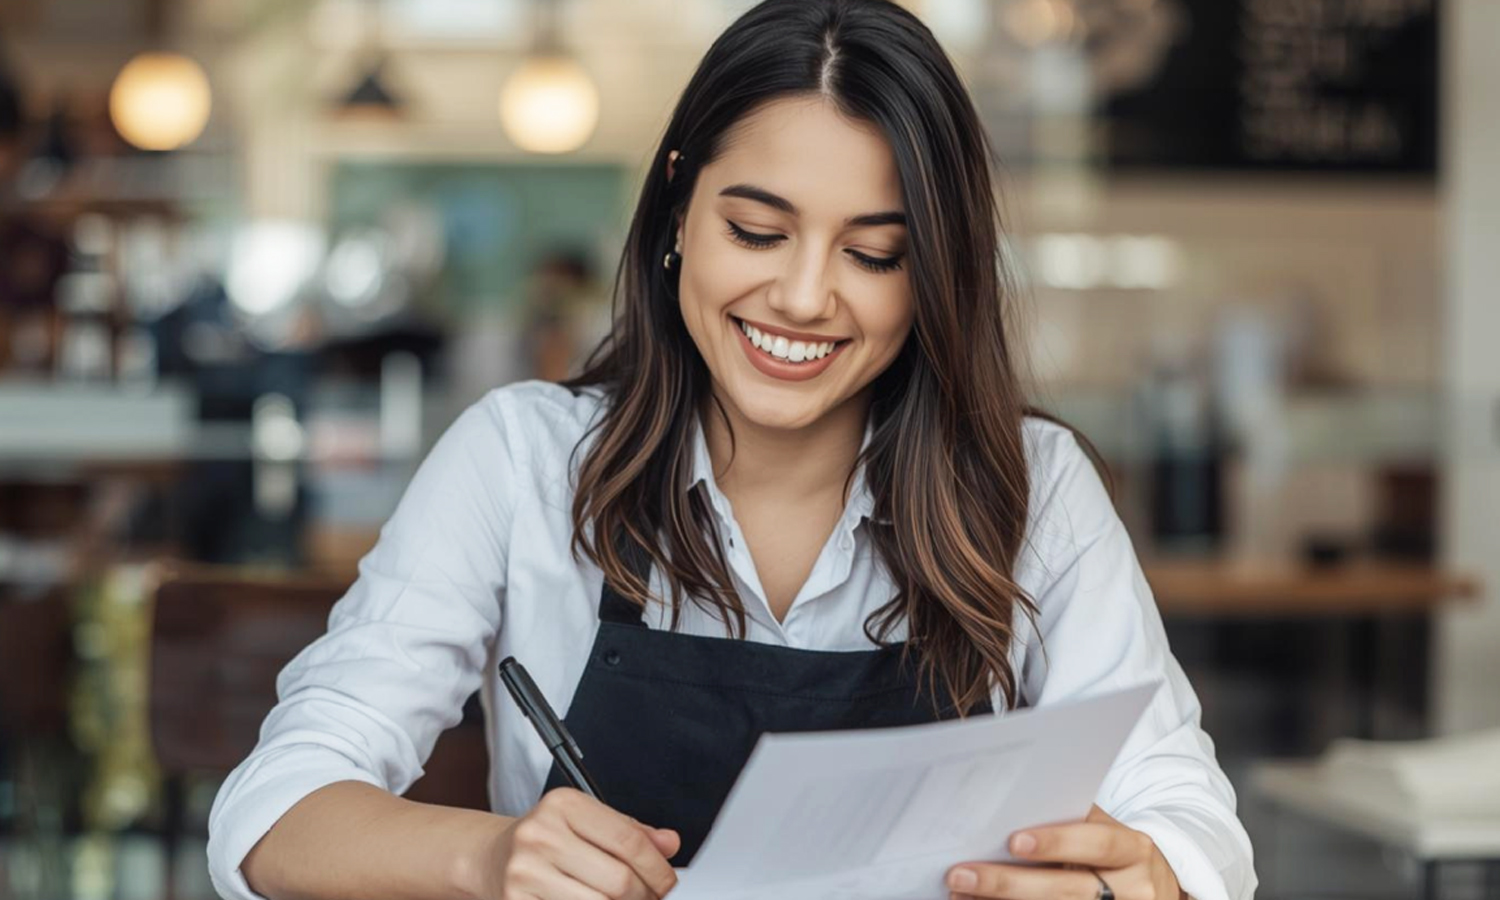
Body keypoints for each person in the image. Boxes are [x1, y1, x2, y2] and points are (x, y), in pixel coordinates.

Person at [207, 2, 1256, 899]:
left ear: (935, 270)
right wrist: (491, 858)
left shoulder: (1032, 488)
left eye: (874, 253)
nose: (803, 296)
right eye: (757, 231)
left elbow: (1192, 822)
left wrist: (1147, 874)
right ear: (677, 206)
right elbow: (273, 810)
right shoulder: (519, 462)